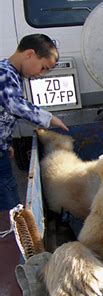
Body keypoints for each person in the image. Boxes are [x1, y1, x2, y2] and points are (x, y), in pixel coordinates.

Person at [0, 34, 68, 211]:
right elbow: (14, 104)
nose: (40, 75)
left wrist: (5, 143)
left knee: (7, 194)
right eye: (43, 68)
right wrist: (49, 118)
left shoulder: (12, 75)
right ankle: (14, 234)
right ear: (29, 54)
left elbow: (4, 115)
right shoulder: (4, 73)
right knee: (10, 204)